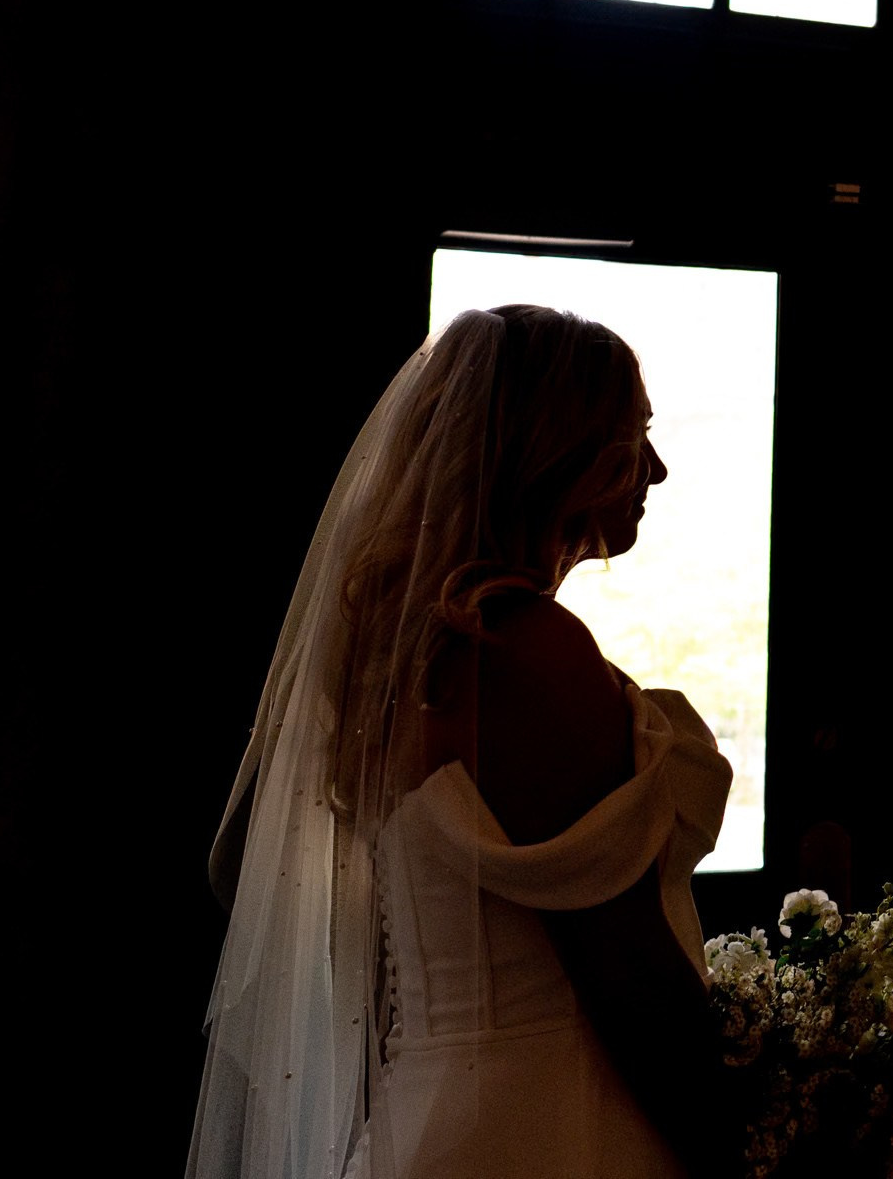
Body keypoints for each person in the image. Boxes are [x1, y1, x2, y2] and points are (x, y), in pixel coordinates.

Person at [188, 306, 736, 1179]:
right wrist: (740, 1146)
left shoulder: (392, 662)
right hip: (556, 1122)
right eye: (634, 436)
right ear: (554, 448)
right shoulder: (522, 649)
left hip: (431, 1111)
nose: (657, 470)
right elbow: (622, 967)